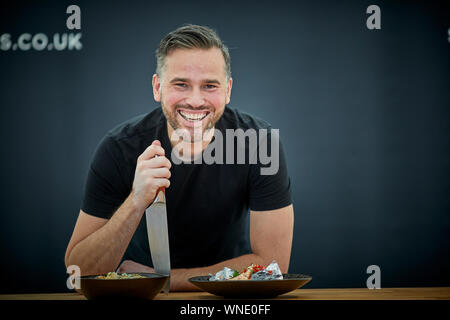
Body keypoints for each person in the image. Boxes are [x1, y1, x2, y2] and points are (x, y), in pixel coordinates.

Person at [64, 24, 294, 291]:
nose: (195, 101)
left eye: (209, 86)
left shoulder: (260, 143)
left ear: (228, 90)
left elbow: (273, 264)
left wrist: (164, 280)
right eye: (181, 84)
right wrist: (136, 201)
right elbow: (78, 274)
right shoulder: (119, 148)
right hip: (142, 299)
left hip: (230, 298)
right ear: (157, 87)